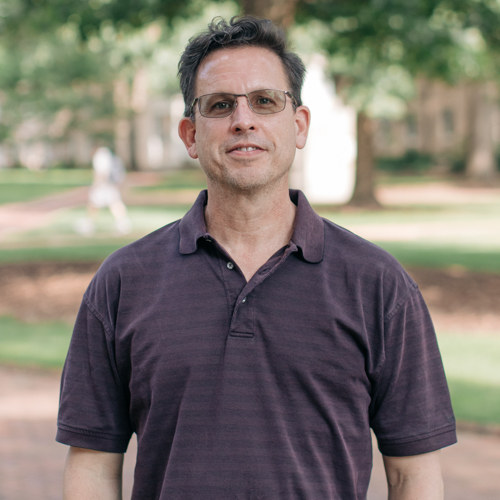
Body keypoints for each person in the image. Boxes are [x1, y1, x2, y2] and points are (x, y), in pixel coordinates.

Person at [57, 16, 456, 499]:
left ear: (298, 124)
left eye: (264, 101)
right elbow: (94, 467)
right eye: (220, 105)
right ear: (190, 134)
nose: (243, 119)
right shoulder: (123, 282)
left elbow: (411, 475)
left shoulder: (379, 285)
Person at [77, 145, 130, 235]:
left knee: (99, 204)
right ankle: (122, 223)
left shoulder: (100, 156)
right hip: (109, 185)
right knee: (110, 203)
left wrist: (96, 185)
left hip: (104, 186)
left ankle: (88, 224)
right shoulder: (108, 155)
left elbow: (102, 173)